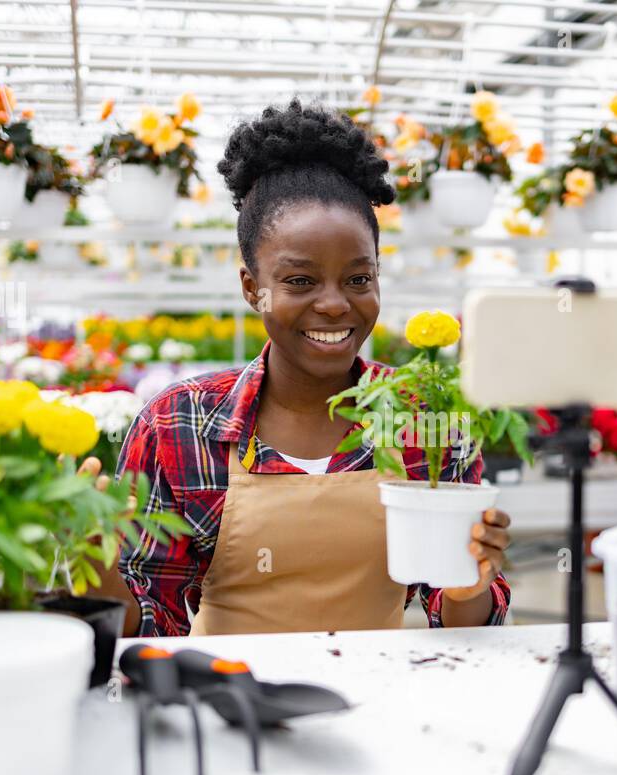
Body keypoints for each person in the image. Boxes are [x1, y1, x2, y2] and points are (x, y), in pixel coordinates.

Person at [82, 100, 513, 637]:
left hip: (382, 704)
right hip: (229, 704)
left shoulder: (427, 419)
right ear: (251, 288)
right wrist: (98, 563)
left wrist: (466, 587)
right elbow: (147, 635)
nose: (334, 304)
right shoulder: (180, 424)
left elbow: (466, 631)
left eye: (358, 279)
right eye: (300, 281)